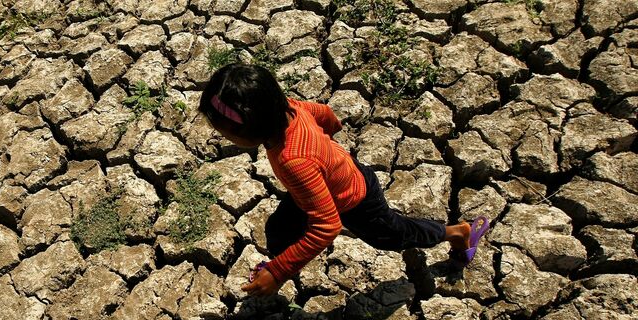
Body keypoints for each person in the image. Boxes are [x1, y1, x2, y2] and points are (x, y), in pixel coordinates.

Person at [198, 63, 490, 297]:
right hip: (325, 183)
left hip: (356, 200)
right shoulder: (289, 108)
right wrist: (327, 145)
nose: (222, 136)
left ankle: (456, 233)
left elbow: (327, 227)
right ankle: (277, 267)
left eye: (225, 133)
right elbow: (325, 114)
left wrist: (279, 272)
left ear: (253, 131)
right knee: (279, 229)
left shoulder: (293, 161)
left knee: (395, 234)